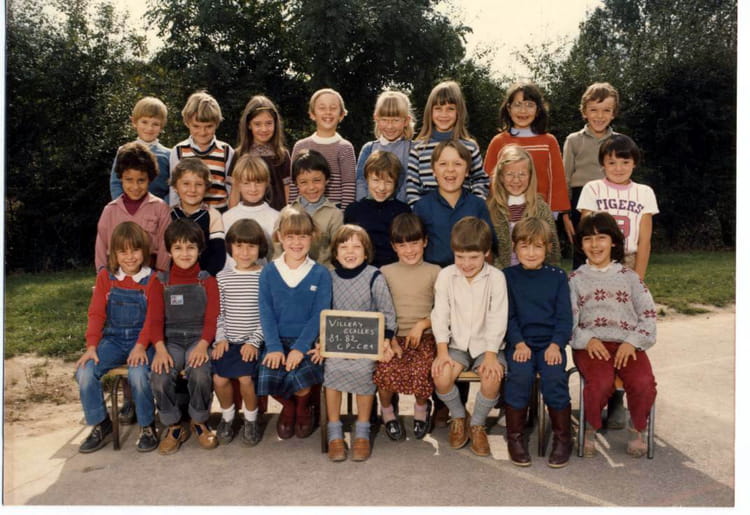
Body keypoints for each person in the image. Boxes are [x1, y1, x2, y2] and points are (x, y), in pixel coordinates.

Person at [569, 211, 657, 458]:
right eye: (588, 239)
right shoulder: (574, 280)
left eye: (601, 238)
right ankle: (589, 427)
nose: (594, 245)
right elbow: (568, 321)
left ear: (614, 242)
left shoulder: (630, 278)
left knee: (643, 382)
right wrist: (587, 339)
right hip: (591, 345)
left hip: (627, 344)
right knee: (600, 383)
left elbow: (648, 315)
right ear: (581, 245)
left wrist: (633, 342)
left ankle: (637, 427)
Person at [75, 222, 162, 453]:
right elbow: (96, 314)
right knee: (84, 372)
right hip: (113, 340)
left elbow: (153, 319)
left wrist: (141, 346)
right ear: (113, 253)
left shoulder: (152, 280)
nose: (130, 257)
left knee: (138, 374)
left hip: (142, 340)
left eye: (135, 250)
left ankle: (147, 425)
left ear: (144, 251)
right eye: (123, 251)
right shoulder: (107, 277)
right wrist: (91, 346)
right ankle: (101, 423)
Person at [315, 225, 397, 462]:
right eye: (344, 247)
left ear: (366, 251)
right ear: (335, 252)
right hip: (336, 344)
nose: (350, 252)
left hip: (367, 346)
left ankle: (362, 431)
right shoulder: (329, 277)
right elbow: (322, 313)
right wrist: (320, 341)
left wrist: (386, 341)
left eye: (356, 247)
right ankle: (334, 432)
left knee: (363, 370)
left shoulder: (374, 276)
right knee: (332, 368)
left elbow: (387, 313)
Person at [431, 217, 507, 457]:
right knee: (441, 376)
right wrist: (442, 352)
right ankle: (458, 416)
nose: (466, 264)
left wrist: (492, 356)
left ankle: (477, 424)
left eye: (473, 257)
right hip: (456, 344)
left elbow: (498, 317)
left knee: (492, 377)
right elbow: (440, 314)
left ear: (486, 252)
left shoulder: (496, 277)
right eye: (460, 257)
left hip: (488, 346)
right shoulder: (446, 276)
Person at [502, 217, 573, 468]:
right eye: (524, 246)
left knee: (554, 377)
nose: (531, 253)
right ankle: (515, 438)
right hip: (521, 343)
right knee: (519, 376)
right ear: (514, 247)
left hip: (549, 344)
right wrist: (518, 342)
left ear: (548, 248)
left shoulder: (557, 277)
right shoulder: (507, 277)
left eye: (538, 246)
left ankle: (563, 439)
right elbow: (507, 315)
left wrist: (556, 344)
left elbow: (564, 317)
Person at [257, 206, 332, 440]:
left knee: (300, 377)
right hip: (276, 340)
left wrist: (300, 348)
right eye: (290, 236)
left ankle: (302, 409)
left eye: (303, 236)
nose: (296, 243)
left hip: (307, 341)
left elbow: (319, 314)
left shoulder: (321, 273)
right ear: (279, 237)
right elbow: (266, 312)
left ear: (313, 237)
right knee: (268, 375)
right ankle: (288, 408)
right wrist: (274, 347)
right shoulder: (269, 272)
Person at [150, 218, 220, 455]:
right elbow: (154, 320)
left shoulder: (207, 281)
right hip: (171, 341)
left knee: (200, 372)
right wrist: (160, 349)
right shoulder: (160, 282)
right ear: (169, 251)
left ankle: (199, 421)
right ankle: (173, 426)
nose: (185, 253)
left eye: (191, 247)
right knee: (159, 375)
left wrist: (203, 345)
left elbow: (212, 318)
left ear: (200, 249)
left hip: (199, 339)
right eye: (178, 248)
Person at [374, 213, 441, 441]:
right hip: (392, 336)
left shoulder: (435, 271)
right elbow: (380, 308)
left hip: (425, 335)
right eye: (402, 245)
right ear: (394, 247)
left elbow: (444, 309)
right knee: (385, 368)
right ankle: (387, 411)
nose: (409, 250)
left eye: (414, 243)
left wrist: (423, 324)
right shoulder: (385, 272)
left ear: (425, 242)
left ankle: (421, 408)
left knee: (422, 369)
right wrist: (389, 338)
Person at [483, 81, 573, 241]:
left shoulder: (548, 141)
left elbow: (557, 180)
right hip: (506, 215)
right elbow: (488, 180)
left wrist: (556, 213)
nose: (523, 111)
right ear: (508, 108)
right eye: (517, 105)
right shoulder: (499, 141)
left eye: (529, 105)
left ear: (538, 110)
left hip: (538, 214)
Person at [211, 219, 270, 446]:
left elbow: (267, 315)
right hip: (229, 341)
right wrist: (221, 339)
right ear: (230, 247)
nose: (245, 253)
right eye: (239, 246)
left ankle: (251, 420)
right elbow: (220, 313)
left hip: (253, 342)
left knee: (246, 379)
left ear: (260, 248)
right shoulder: (223, 277)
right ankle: (228, 416)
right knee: (219, 379)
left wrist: (254, 342)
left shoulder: (265, 276)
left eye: (251, 246)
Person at [576, 134, 658, 280]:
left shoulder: (645, 192)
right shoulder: (592, 189)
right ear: (602, 164)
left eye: (625, 162)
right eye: (612, 163)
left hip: (629, 258)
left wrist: (639, 279)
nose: (618, 168)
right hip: (598, 257)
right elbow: (586, 232)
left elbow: (644, 241)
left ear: (634, 163)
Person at [563, 82, 620, 269]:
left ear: (613, 113)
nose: (599, 116)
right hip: (580, 200)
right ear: (584, 112)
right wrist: (565, 214)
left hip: (611, 198)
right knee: (583, 248)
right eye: (594, 110)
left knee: (610, 248)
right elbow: (565, 178)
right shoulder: (574, 140)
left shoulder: (619, 141)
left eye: (606, 110)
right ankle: (579, 286)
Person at [413, 140, 496, 268]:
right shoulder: (422, 207)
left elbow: (490, 246)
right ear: (433, 170)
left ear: (467, 170)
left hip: (470, 272)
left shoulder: (478, 205)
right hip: (435, 275)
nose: (450, 169)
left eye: (457, 164)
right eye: (443, 164)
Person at [406, 80, 489, 205]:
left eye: (450, 109)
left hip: (462, 211)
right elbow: (412, 187)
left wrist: (473, 206)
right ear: (430, 112)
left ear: (458, 112)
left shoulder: (469, 147)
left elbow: (480, 180)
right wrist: (419, 211)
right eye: (438, 108)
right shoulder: (418, 148)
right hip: (428, 212)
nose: (444, 114)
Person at [95, 141, 171, 273]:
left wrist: (160, 274)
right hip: (117, 276)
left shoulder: (161, 208)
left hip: (151, 274)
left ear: (150, 179)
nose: (135, 187)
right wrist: (102, 274)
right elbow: (101, 246)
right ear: (121, 178)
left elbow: (165, 245)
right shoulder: (110, 210)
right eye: (129, 180)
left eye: (141, 180)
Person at [487, 144, 560, 269]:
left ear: (530, 176)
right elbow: (486, 250)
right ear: (501, 177)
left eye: (522, 174)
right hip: (501, 275)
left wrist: (550, 274)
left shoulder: (541, 208)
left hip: (534, 274)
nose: (516, 180)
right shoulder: (490, 209)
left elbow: (553, 249)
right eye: (510, 174)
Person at [169, 90, 235, 212]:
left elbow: (231, 188)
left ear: (216, 124)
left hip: (220, 214)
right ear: (187, 123)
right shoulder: (178, 151)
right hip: (188, 216)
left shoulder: (226, 151)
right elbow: (174, 189)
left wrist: (232, 215)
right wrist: (174, 214)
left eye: (208, 126)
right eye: (196, 126)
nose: (202, 132)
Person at [290, 88, 356, 209]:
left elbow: (349, 187)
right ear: (312, 114)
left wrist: (344, 215)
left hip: (334, 210)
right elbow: (294, 184)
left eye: (333, 108)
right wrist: (292, 211)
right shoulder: (300, 146)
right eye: (322, 108)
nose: (328, 112)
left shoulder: (345, 148)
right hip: (304, 211)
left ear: (341, 115)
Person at [344, 151, 411, 267]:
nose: (381, 188)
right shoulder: (353, 211)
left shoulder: (403, 211)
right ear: (366, 178)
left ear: (396, 183)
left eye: (388, 182)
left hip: (394, 270)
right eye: (376, 180)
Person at [285, 149, 343, 269]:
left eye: (316, 180)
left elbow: (339, 251)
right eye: (304, 182)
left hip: (323, 273)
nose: (311, 187)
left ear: (327, 180)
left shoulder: (335, 215)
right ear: (296, 184)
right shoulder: (287, 213)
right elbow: (277, 249)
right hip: (291, 273)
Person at [233, 95, 291, 210]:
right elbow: (234, 192)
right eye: (257, 124)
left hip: (277, 215)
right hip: (246, 216)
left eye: (268, 123)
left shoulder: (282, 155)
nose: (264, 129)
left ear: (275, 123)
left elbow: (288, 192)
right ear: (249, 125)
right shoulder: (239, 155)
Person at [222, 153, 280, 268]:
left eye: (258, 182)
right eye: (246, 183)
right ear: (238, 184)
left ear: (267, 183)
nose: (253, 189)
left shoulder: (277, 217)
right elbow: (226, 258)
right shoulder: (227, 217)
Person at [169, 157, 226, 276]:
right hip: (173, 277)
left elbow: (218, 253)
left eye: (199, 184)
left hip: (203, 277)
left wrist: (208, 274)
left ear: (206, 188)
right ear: (175, 186)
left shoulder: (213, 215)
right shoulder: (168, 214)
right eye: (186, 184)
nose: (192, 189)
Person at [355, 90, 414, 203]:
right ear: (376, 119)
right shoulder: (369, 148)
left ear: (406, 121)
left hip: (403, 210)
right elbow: (360, 181)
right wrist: (364, 206)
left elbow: (411, 184)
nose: (390, 126)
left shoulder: (413, 149)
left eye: (395, 120)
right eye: (384, 120)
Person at [109, 96, 171, 201]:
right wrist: (123, 206)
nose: (149, 128)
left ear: (161, 126)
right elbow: (116, 184)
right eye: (144, 122)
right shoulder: (124, 151)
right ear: (134, 122)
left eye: (155, 124)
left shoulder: (169, 155)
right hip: (128, 208)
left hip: (158, 209)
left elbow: (174, 187)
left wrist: (163, 206)